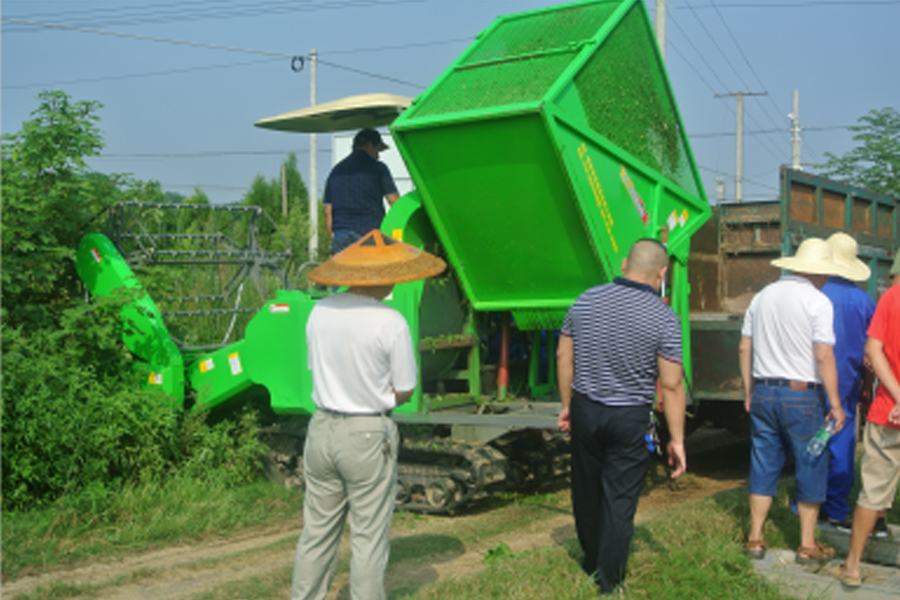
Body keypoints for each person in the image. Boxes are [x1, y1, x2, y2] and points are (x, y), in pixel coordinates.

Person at [291, 230, 445, 600]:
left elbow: (317, 368)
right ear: (379, 278)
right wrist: (378, 393)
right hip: (365, 433)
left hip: (322, 427)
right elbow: (405, 388)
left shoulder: (320, 311)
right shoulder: (389, 322)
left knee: (316, 532)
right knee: (368, 536)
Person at [557, 238, 687, 594]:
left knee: (586, 490)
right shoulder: (663, 317)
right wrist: (676, 439)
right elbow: (672, 385)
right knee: (620, 499)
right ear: (662, 273)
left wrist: (568, 404)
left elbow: (563, 356)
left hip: (586, 409)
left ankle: (590, 563)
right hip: (629, 417)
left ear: (625, 263)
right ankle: (609, 581)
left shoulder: (586, 300)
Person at [739, 237, 847, 564]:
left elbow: (745, 347)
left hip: (763, 392)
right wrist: (836, 403)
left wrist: (749, 390)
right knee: (811, 462)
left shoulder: (762, 297)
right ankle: (807, 543)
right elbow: (824, 355)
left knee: (763, 462)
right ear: (817, 272)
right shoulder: (818, 301)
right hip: (803, 396)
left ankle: (755, 537)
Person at [836, 276, 900, 587]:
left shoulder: (891, 298)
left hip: (889, 412)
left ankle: (852, 565)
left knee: (872, 492)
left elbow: (874, 351)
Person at [818, 233, 875, 530]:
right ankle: (836, 509)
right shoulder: (865, 302)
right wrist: (867, 387)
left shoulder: (815, 293)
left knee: (814, 441)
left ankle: (806, 502)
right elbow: (871, 353)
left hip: (813, 380)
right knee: (842, 444)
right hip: (847, 384)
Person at [323, 128, 400, 255]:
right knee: (370, 274)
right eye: (377, 150)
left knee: (345, 274)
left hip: (341, 237)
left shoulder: (336, 171)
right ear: (369, 145)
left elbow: (327, 212)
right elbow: (394, 202)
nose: (378, 155)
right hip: (369, 235)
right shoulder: (378, 168)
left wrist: (333, 239)